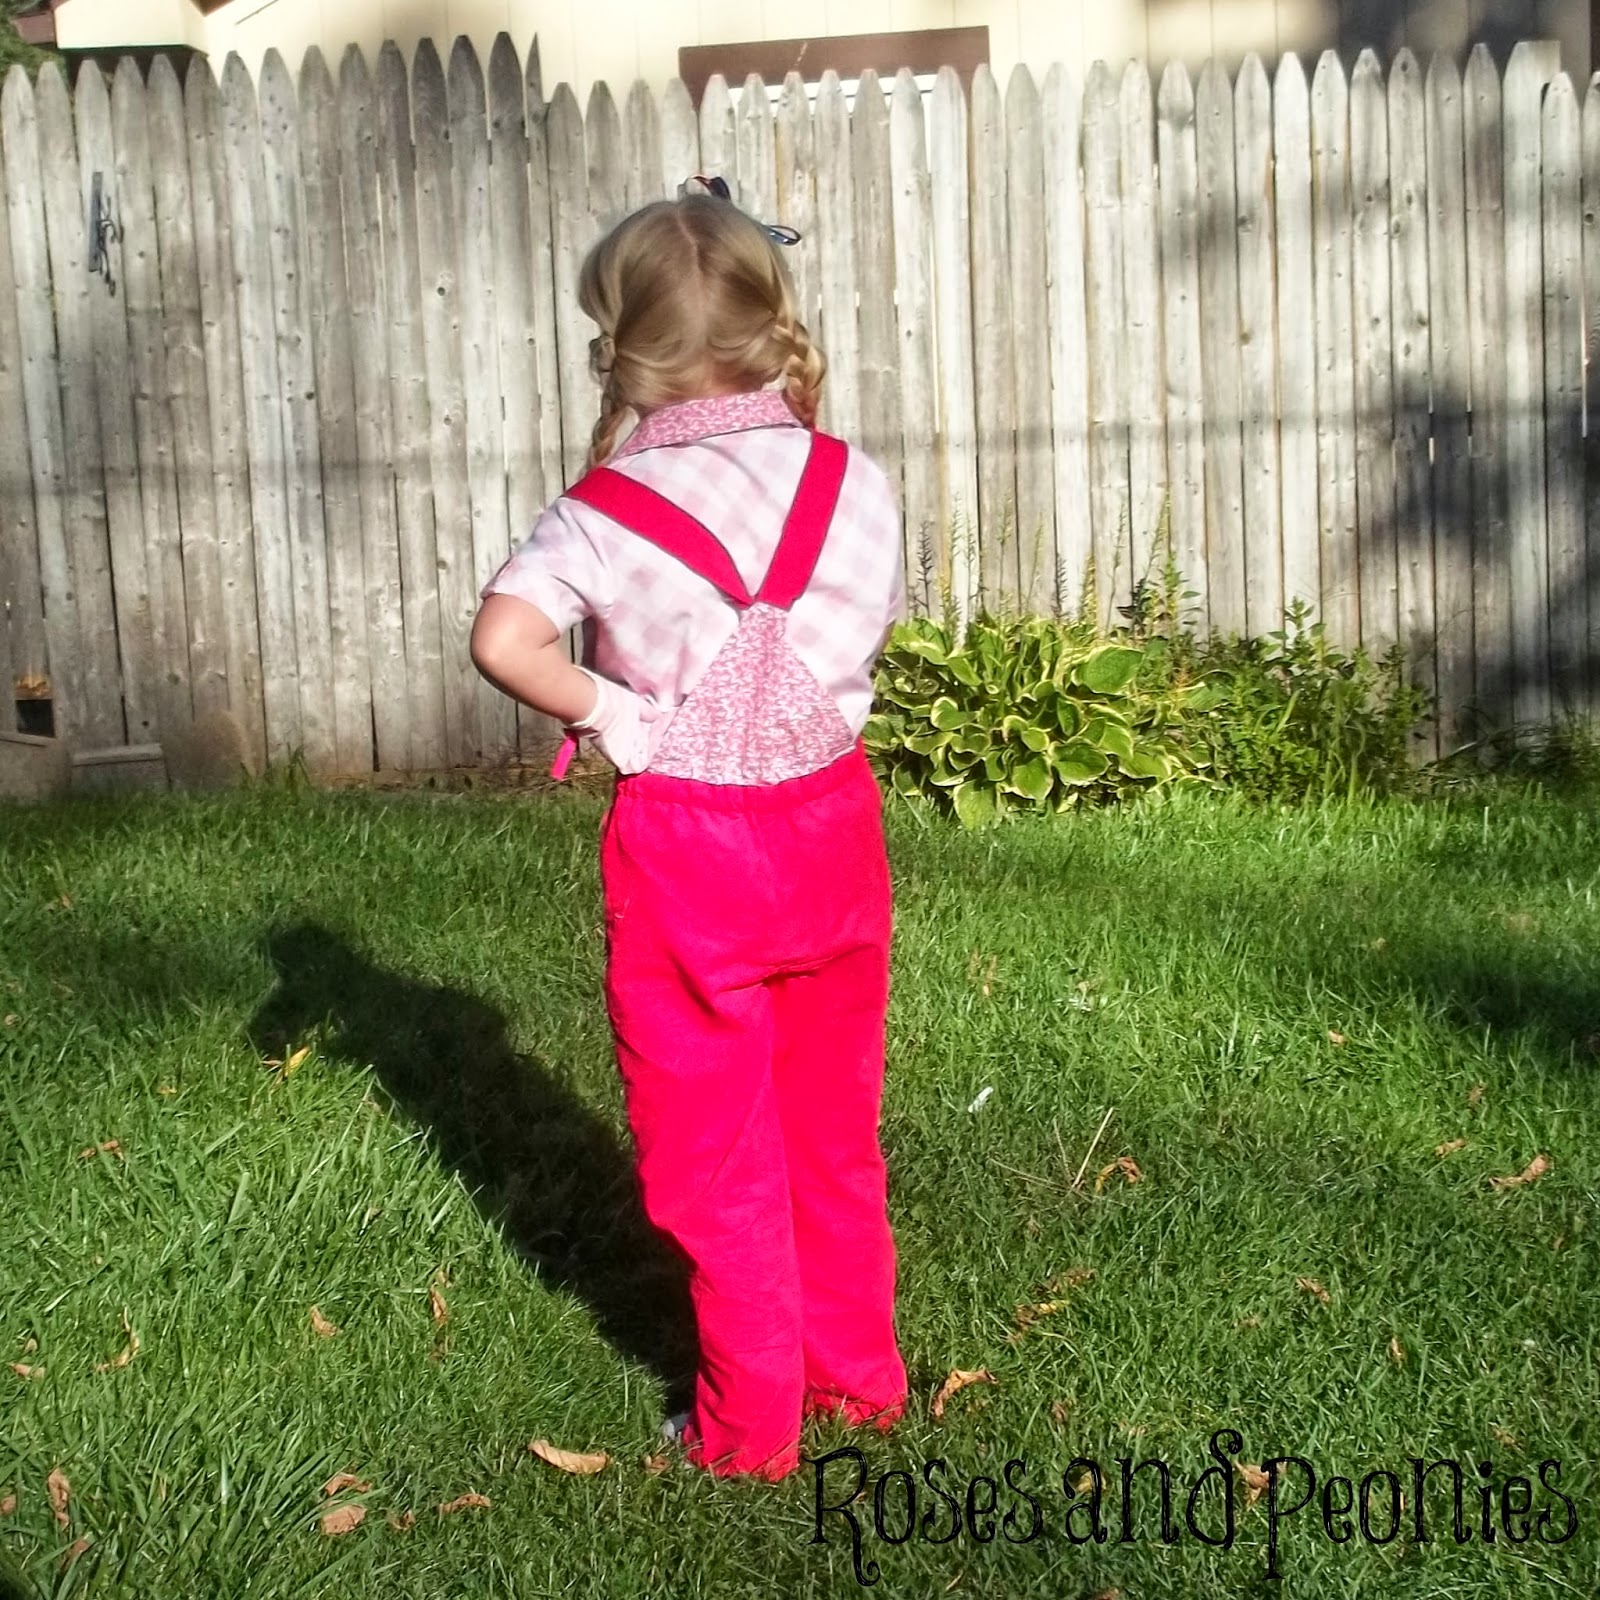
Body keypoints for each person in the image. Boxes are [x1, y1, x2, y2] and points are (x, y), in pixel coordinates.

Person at [469, 186, 908, 1481]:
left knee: (716, 1158)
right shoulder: (851, 477)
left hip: (693, 856)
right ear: (772, 322)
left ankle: (748, 1429)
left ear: (626, 344)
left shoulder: (607, 507)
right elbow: (863, 620)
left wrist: (616, 711)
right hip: (833, 832)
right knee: (831, 1130)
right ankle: (862, 1382)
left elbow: (505, 641)